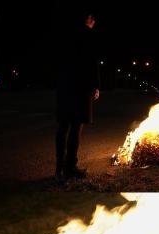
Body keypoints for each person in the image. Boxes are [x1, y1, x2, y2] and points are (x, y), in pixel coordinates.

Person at [55, 12, 100, 181]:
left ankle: (59, 170)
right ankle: (70, 168)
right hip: (81, 86)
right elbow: (92, 61)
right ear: (89, 20)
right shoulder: (87, 34)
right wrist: (96, 85)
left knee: (63, 127)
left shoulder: (63, 33)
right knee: (75, 127)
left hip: (64, 85)